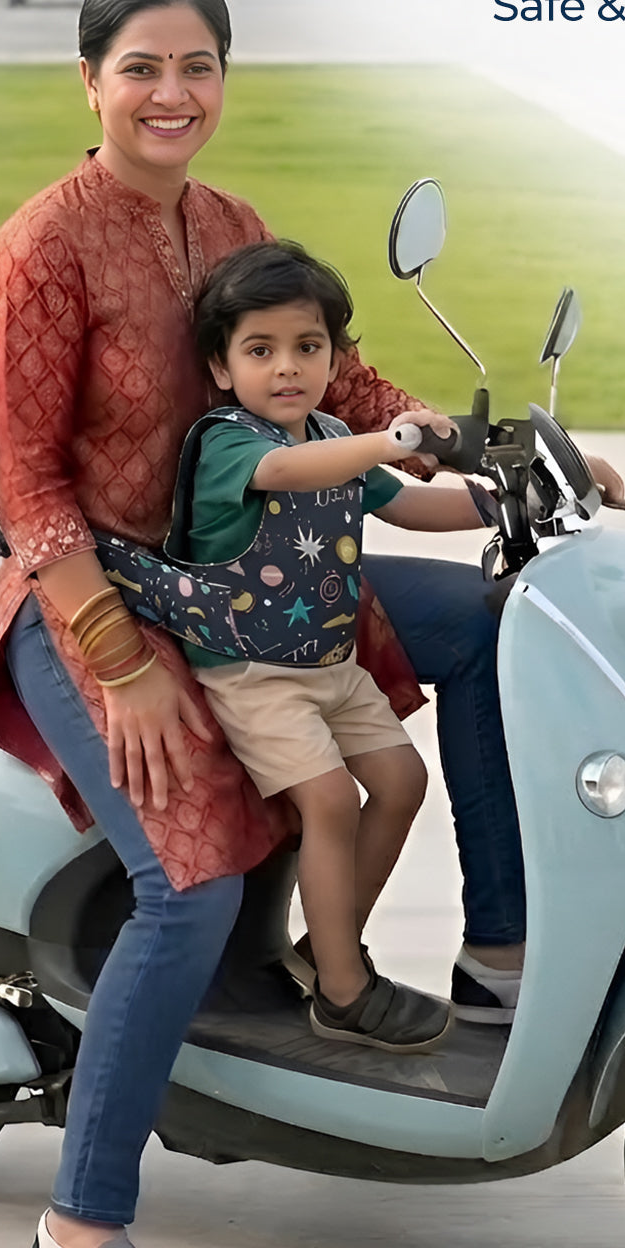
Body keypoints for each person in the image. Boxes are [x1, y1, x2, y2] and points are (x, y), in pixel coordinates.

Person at [0, 0, 625, 1248]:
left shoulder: (225, 221)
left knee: (497, 623)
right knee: (193, 887)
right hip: (91, 596)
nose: (172, 92)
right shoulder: (40, 250)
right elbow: (32, 488)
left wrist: (488, 446)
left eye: (197, 65)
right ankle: (82, 1218)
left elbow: (350, 386)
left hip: (258, 582)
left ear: (224, 77)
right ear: (90, 80)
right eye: (142, 68)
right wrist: (124, 660)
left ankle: (494, 963)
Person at [178, 239, 489, 1051]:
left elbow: (414, 510)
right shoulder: (230, 444)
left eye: (308, 347)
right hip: (253, 673)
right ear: (220, 368)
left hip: (329, 665)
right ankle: (345, 993)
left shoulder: (332, 432)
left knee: (401, 780)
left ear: (334, 356)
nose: (287, 368)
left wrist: (511, 499)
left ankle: (327, 947)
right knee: (330, 800)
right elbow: (294, 472)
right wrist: (394, 437)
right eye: (261, 350)